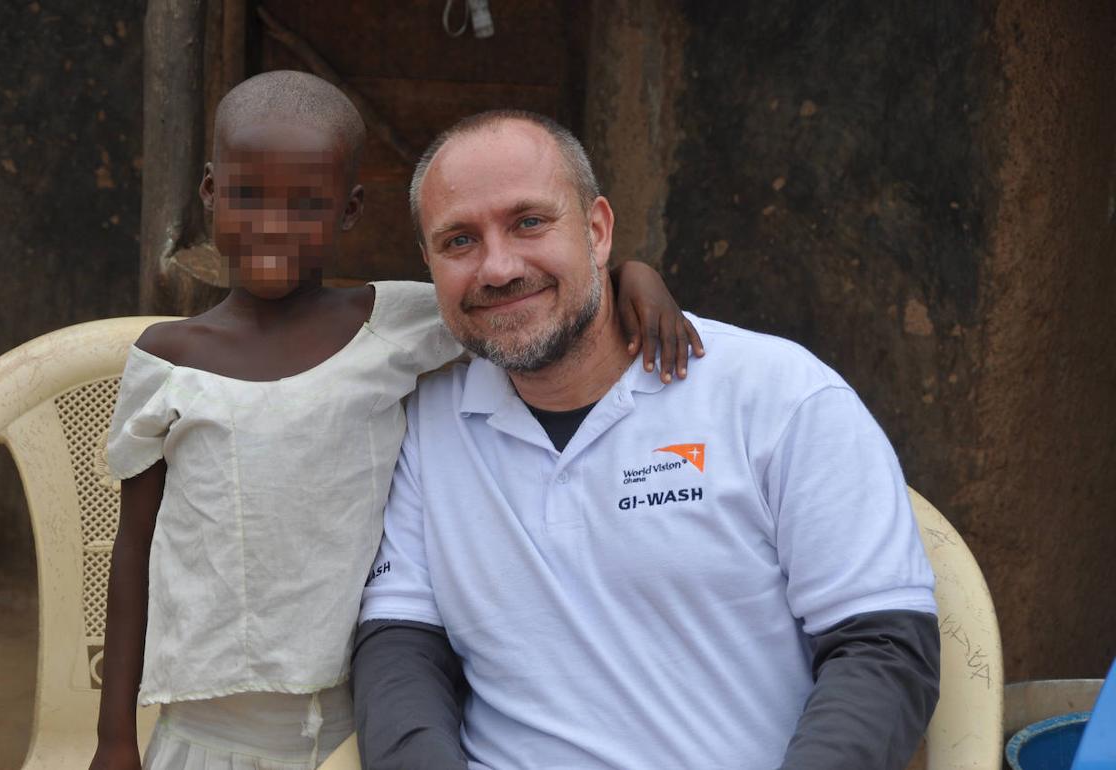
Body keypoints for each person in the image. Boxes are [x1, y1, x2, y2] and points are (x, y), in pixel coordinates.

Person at [88, 73, 700, 770]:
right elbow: (133, 548)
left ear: (349, 209)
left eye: (306, 205)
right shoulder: (167, 360)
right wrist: (114, 738)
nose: (272, 226)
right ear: (209, 192)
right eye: (247, 196)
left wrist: (632, 274)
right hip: (206, 732)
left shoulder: (394, 323)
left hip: (354, 727)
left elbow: (520, 299)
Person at [353, 110, 942, 770]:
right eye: (459, 240)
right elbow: (401, 649)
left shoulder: (778, 396)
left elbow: (882, 649)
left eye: (529, 222)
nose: (498, 267)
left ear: (597, 231)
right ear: (429, 264)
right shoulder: (429, 426)